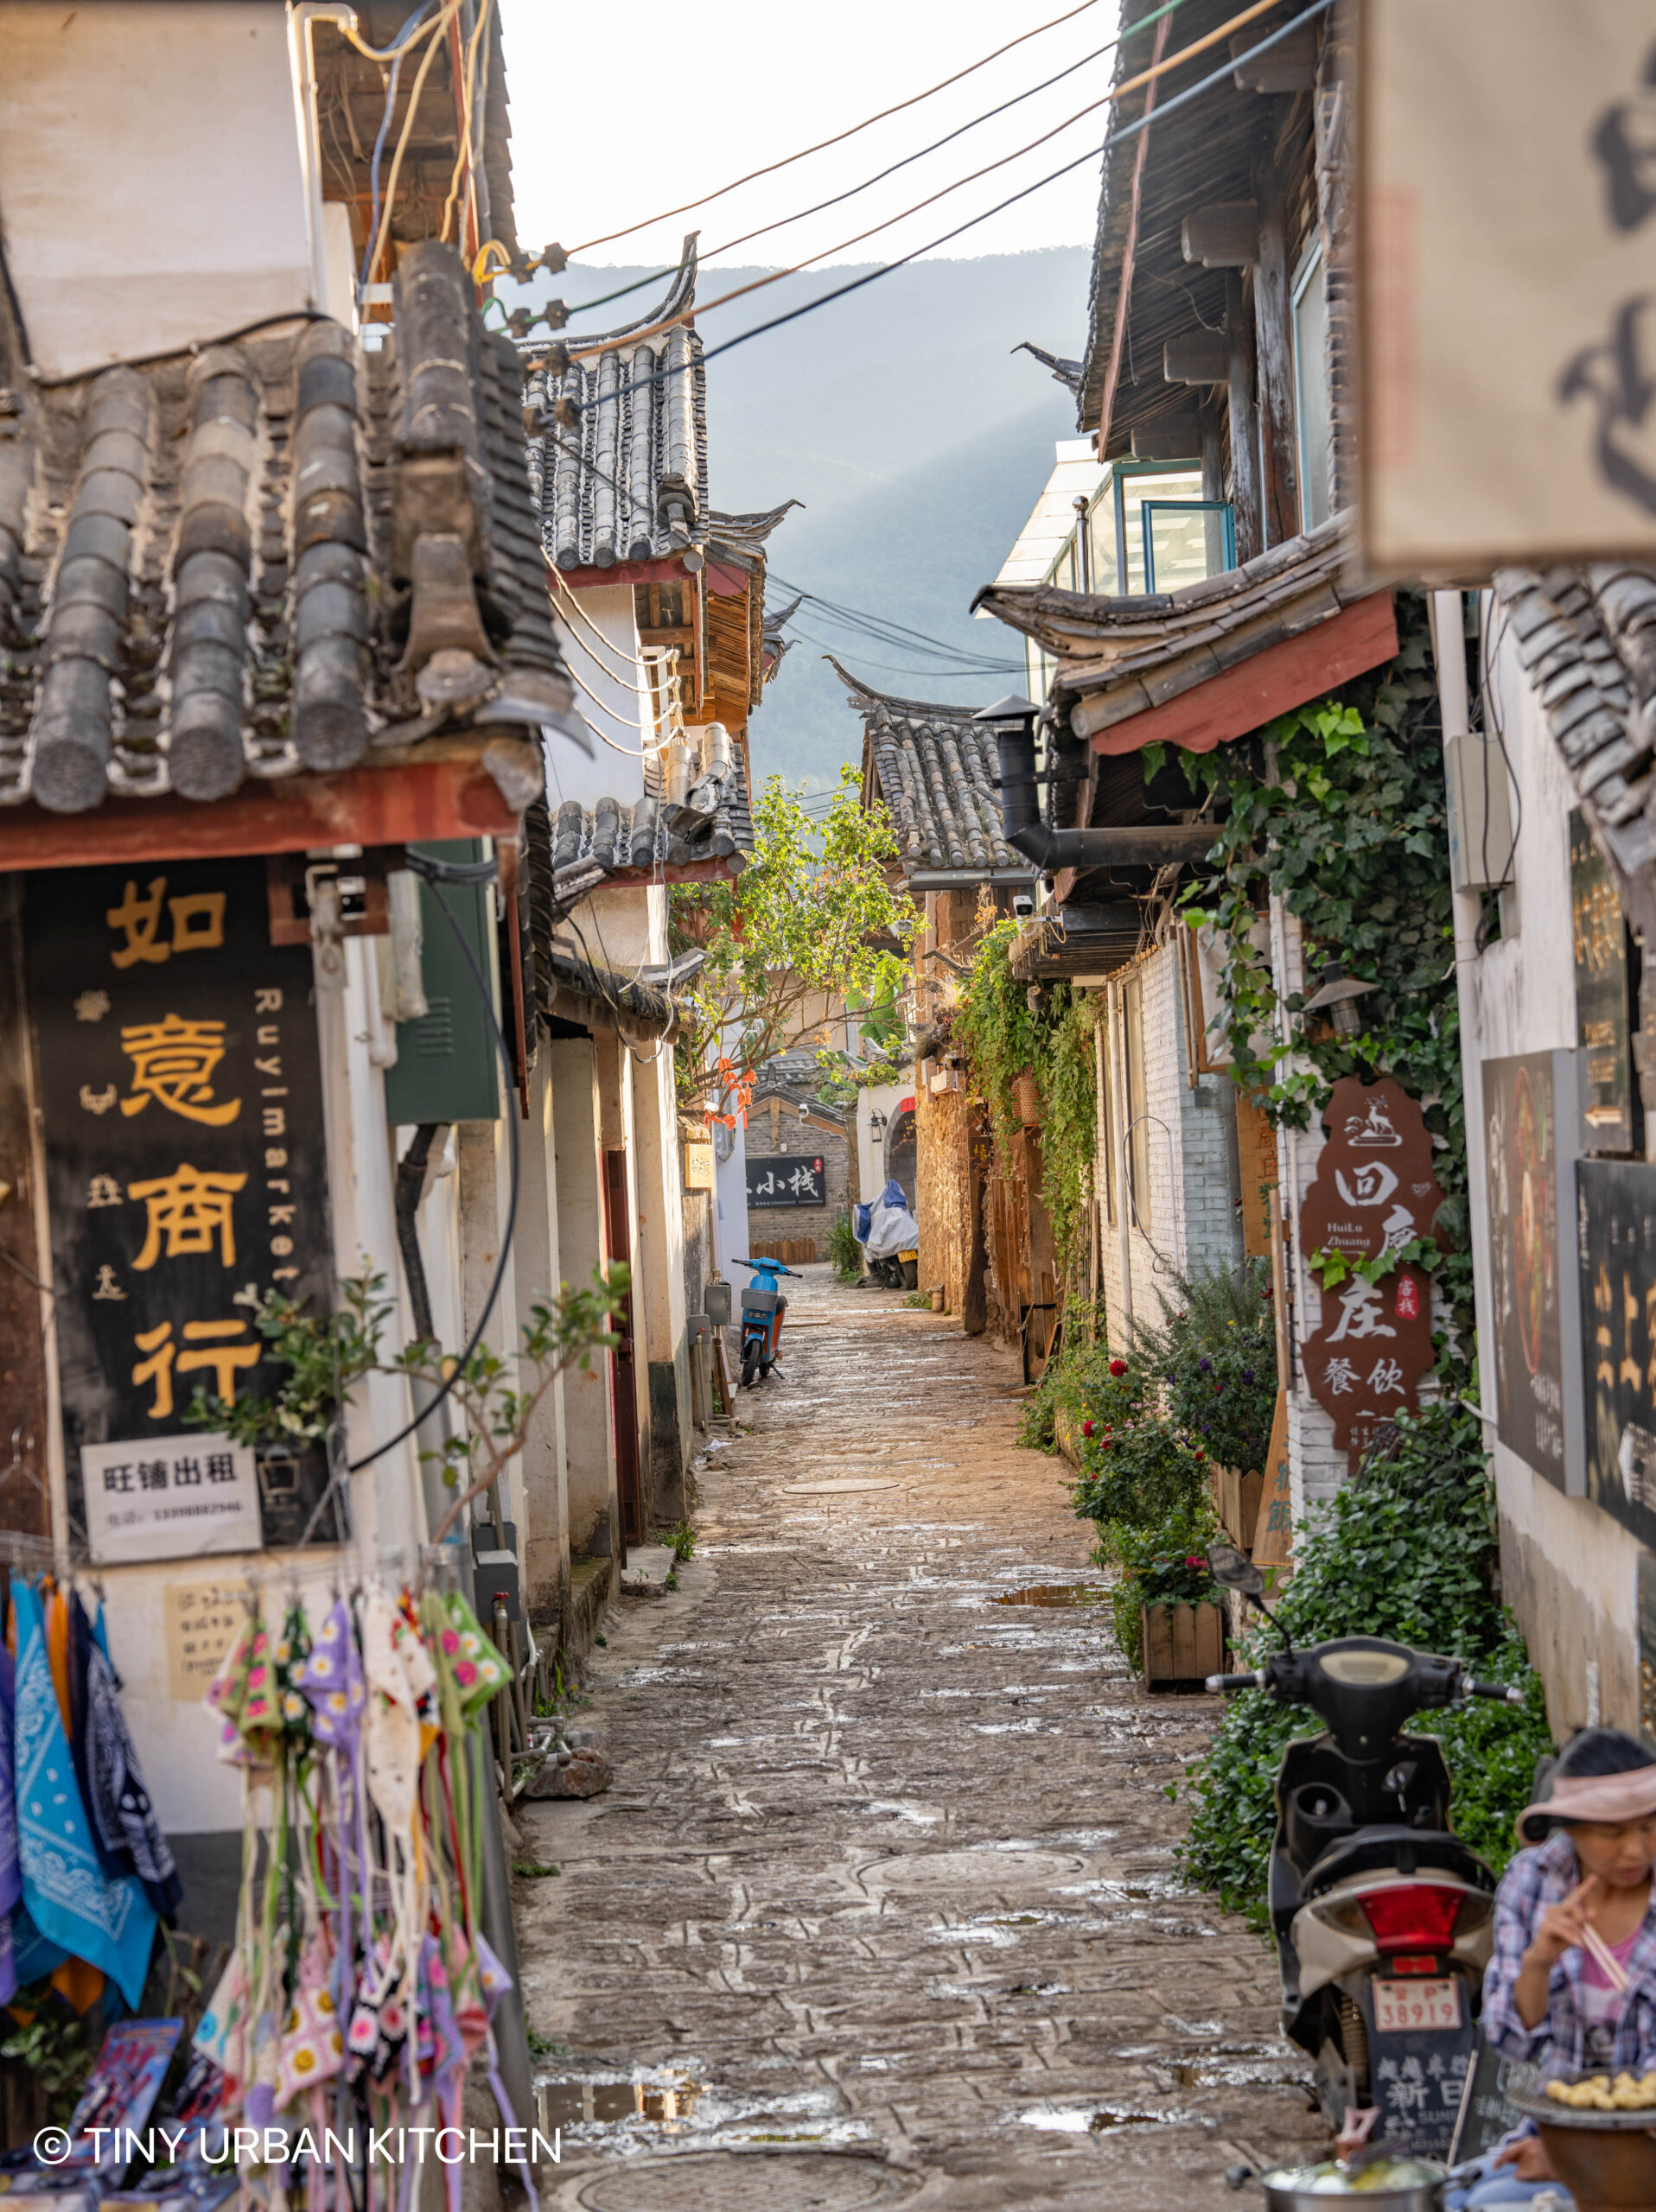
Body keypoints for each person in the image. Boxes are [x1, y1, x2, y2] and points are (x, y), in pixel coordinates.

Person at [1449, 1727, 1656, 2209]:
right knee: (1459, 2198)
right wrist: (1539, 1960)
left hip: (1636, 2149)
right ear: (1573, 1827)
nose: (1635, 1851)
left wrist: (1581, 2159)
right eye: (1613, 1832)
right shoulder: (1533, 1880)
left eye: (1649, 1826)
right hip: (1560, 2133)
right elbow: (1512, 2041)